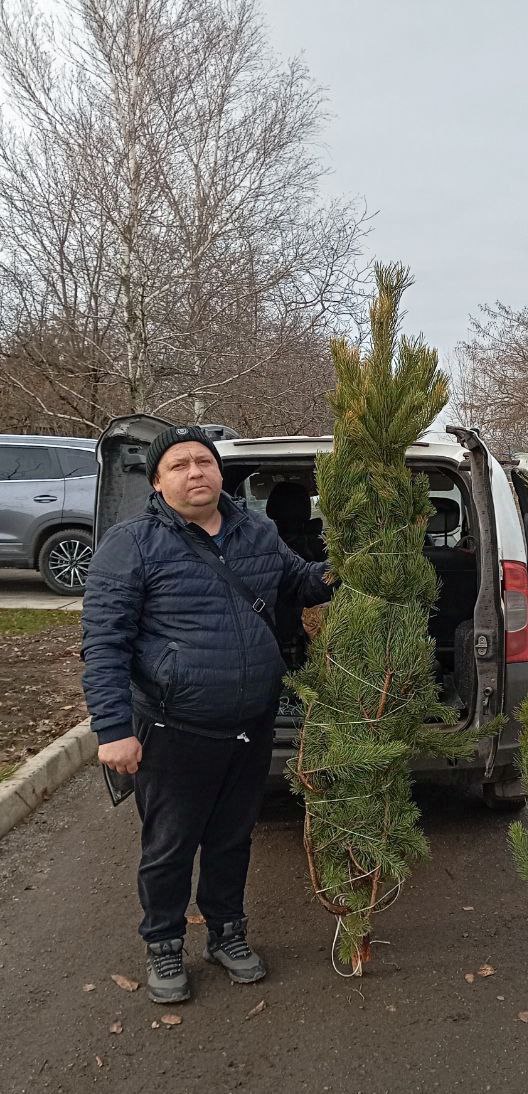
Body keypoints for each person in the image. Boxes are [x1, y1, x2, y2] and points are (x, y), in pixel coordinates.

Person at [82, 425, 333, 1005]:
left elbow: (298, 582)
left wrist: (340, 570)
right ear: (157, 481)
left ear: (220, 473)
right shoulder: (133, 544)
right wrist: (114, 729)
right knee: (170, 844)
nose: (195, 472)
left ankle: (226, 933)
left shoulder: (257, 531)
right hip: (174, 729)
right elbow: (104, 642)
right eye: (179, 465)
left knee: (232, 837)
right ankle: (165, 944)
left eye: (204, 462)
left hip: (249, 725)